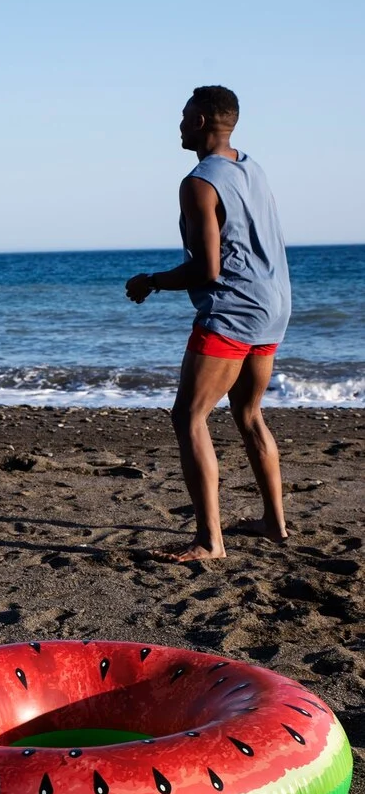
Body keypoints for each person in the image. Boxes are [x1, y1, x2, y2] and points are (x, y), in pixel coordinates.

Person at [125, 86, 291, 563]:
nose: (178, 124)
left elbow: (208, 270)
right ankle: (274, 525)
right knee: (248, 414)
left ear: (200, 121)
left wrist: (151, 280)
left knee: (188, 416)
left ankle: (209, 541)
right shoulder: (251, 168)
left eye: (183, 116)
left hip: (233, 311)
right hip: (273, 306)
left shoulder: (199, 181)